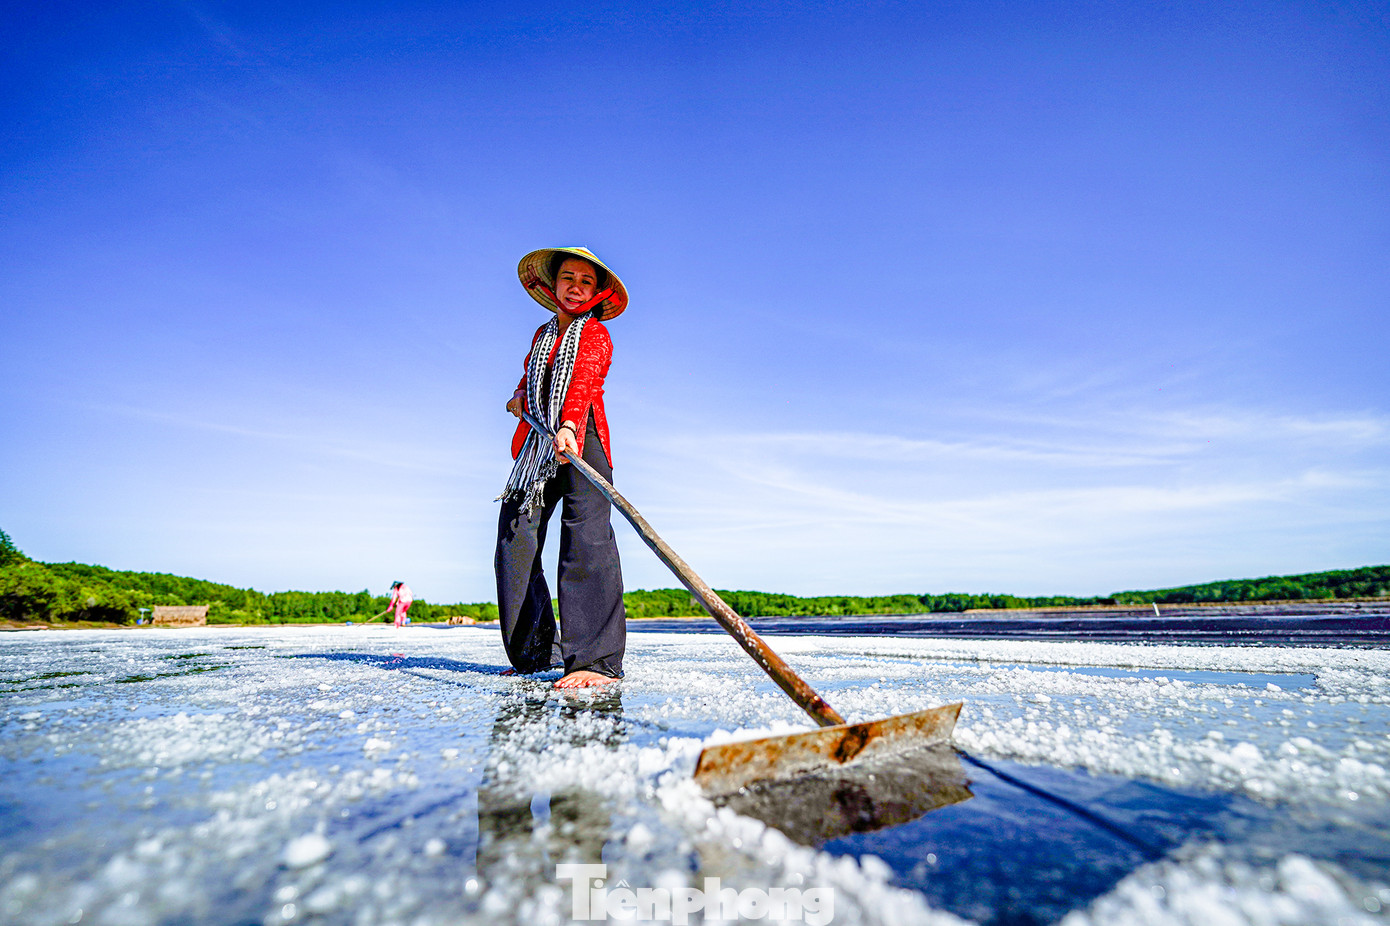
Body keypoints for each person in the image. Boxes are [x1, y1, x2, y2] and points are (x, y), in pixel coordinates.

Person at [495, 246, 627, 689]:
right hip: (538, 446)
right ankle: (535, 653)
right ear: (554, 285)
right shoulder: (542, 334)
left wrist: (569, 426)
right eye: (568, 277)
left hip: (581, 436)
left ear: (596, 292)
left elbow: (584, 381)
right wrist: (519, 395)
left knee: (585, 540)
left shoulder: (596, 335)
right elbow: (533, 375)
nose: (576, 287)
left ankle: (596, 660)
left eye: (586, 281)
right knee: (515, 537)